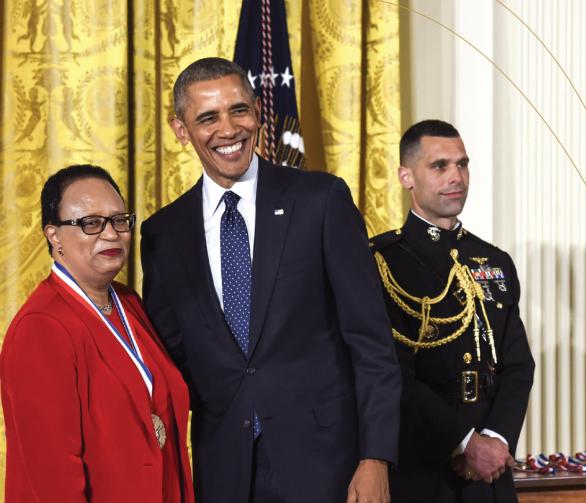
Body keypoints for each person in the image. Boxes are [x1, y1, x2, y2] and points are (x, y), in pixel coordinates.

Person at [140, 57, 401, 503]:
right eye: (207, 117)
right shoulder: (163, 233)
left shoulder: (320, 200)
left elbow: (372, 344)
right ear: (181, 130)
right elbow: (171, 361)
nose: (228, 129)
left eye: (239, 110)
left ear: (258, 112)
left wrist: (375, 458)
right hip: (224, 470)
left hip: (328, 467)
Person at [0, 165, 195, 503]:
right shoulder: (40, 329)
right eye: (90, 223)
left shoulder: (129, 303)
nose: (111, 234)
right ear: (54, 234)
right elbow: (53, 479)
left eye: (119, 220)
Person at [369, 120, 535, 503]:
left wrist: (494, 439)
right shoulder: (380, 263)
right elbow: (393, 374)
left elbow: (519, 365)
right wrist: (465, 442)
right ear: (406, 176)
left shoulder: (493, 261)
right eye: (439, 166)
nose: (456, 176)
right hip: (422, 467)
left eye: (462, 164)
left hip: (489, 473)